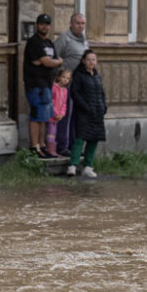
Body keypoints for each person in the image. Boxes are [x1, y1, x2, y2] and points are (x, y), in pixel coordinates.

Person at [23, 13, 62, 158]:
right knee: (36, 116)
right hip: (35, 85)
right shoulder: (34, 42)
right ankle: (34, 147)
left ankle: (42, 145)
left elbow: (50, 61)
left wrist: (52, 62)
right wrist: (56, 62)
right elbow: (48, 62)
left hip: (47, 84)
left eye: (47, 24)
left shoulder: (49, 43)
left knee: (44, 117)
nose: (44, 27)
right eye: (41, 24)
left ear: (50, 26)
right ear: (37, 25)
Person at [67, 50, 106, 178]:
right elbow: (75, 93)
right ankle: (72, 165)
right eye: (88, 59)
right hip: (83, 112)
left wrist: (103, 107)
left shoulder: (96, 75)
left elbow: (101, 93)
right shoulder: (78, 75)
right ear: (83, 61)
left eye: (93, 59)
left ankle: (88, 167)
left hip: (97, 112)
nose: (91, 62)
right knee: (80, 137)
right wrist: (85, 106)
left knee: (94, 139)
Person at [54, 13, 88, 154]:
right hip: (65, 85)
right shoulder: (65, 38)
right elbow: (54, 57)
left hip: (78, 85)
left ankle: (74, 146)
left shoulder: (84, 40)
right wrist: (59, 80)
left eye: (83, 23)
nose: (80, 26)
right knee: (64, 116)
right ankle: (62, 146)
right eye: (77, 23)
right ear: (71, 24)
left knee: (76, 117)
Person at [48, 68, 71, 158]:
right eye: (63, 77)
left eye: (68, 78)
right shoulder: (54, 88)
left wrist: (62, 114)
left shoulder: (65, 90)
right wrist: (55, 113)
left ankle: (54, 150)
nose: (65, 80)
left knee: (54, 132)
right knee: (51, 132)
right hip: (51, 115)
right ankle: (50, 151)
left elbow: (64, 104)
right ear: (58, 77)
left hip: (58, 117)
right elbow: (51, 101)